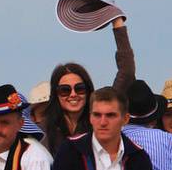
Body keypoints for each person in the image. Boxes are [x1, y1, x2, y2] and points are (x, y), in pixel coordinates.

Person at [40, 15, 136, 153]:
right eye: (65, 90)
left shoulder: (99, 118)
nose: (73, 95)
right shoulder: (45, 129)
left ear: (88, 90)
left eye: (79, 89)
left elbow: (127, 73)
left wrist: (117, 22)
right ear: (56, 94)